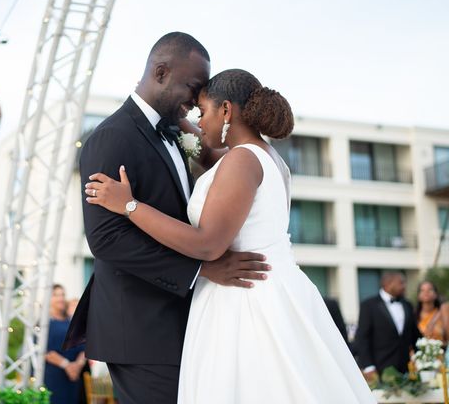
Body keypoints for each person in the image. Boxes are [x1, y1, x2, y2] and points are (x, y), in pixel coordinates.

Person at [84, 69, 375, 402]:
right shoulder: (263, 157)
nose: (198, 121)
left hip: (245, 302)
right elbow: (205, 152)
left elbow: (207, 244)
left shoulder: (241, 159)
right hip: (268, 291)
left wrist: (130, 205)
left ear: (226, 111)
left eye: (203, 112)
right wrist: (172, 118)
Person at [64, 33, 271, 404]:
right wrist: (201, 269)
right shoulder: (111, 138)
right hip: (141, 329)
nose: (196, 101)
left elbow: (231, 162)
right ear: (160, 72)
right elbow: (106, 240)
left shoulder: (176, 131)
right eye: (193, 87)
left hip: (179, 323)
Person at [355, 272, 420, 379]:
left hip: (406, 368)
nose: (404, 286)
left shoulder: (407, 304)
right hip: (380, 368)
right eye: (401, 283)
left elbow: (415, 335)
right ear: (387, 284)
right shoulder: (369, 305)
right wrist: (368, 366)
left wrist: (423, 359)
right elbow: (362, 338)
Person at [45, 284, 86, 404]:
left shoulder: (72, 321)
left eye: (62, 294)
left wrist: (78, 365)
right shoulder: (45, 323)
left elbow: (84, 347)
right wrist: (67, 366)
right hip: (54, 378)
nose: (60, 298)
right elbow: (45, 352)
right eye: (56, 295)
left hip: (74, 377)